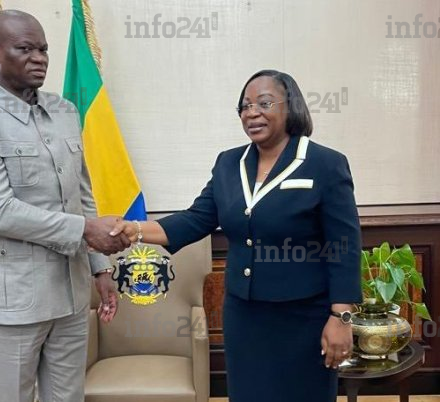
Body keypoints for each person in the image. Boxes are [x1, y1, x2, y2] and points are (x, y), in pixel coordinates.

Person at [110, 70, 362, 402]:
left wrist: (341, 317)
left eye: (264, 103)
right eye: (245, 106)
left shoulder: (325, 164)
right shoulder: (229, 163)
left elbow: (344, 247)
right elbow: (197, 218)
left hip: (304, 317)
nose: (252, 113)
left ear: (291, 107)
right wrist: (136, 229)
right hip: (245, 315)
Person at [0, 10, 129, 402]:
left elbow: (82, 194)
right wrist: (85, 231)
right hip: (13, 302)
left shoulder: (65, 111)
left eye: (43, 49)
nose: (39, 58)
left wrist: (100, 268)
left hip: (71, 293)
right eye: (25, 49)